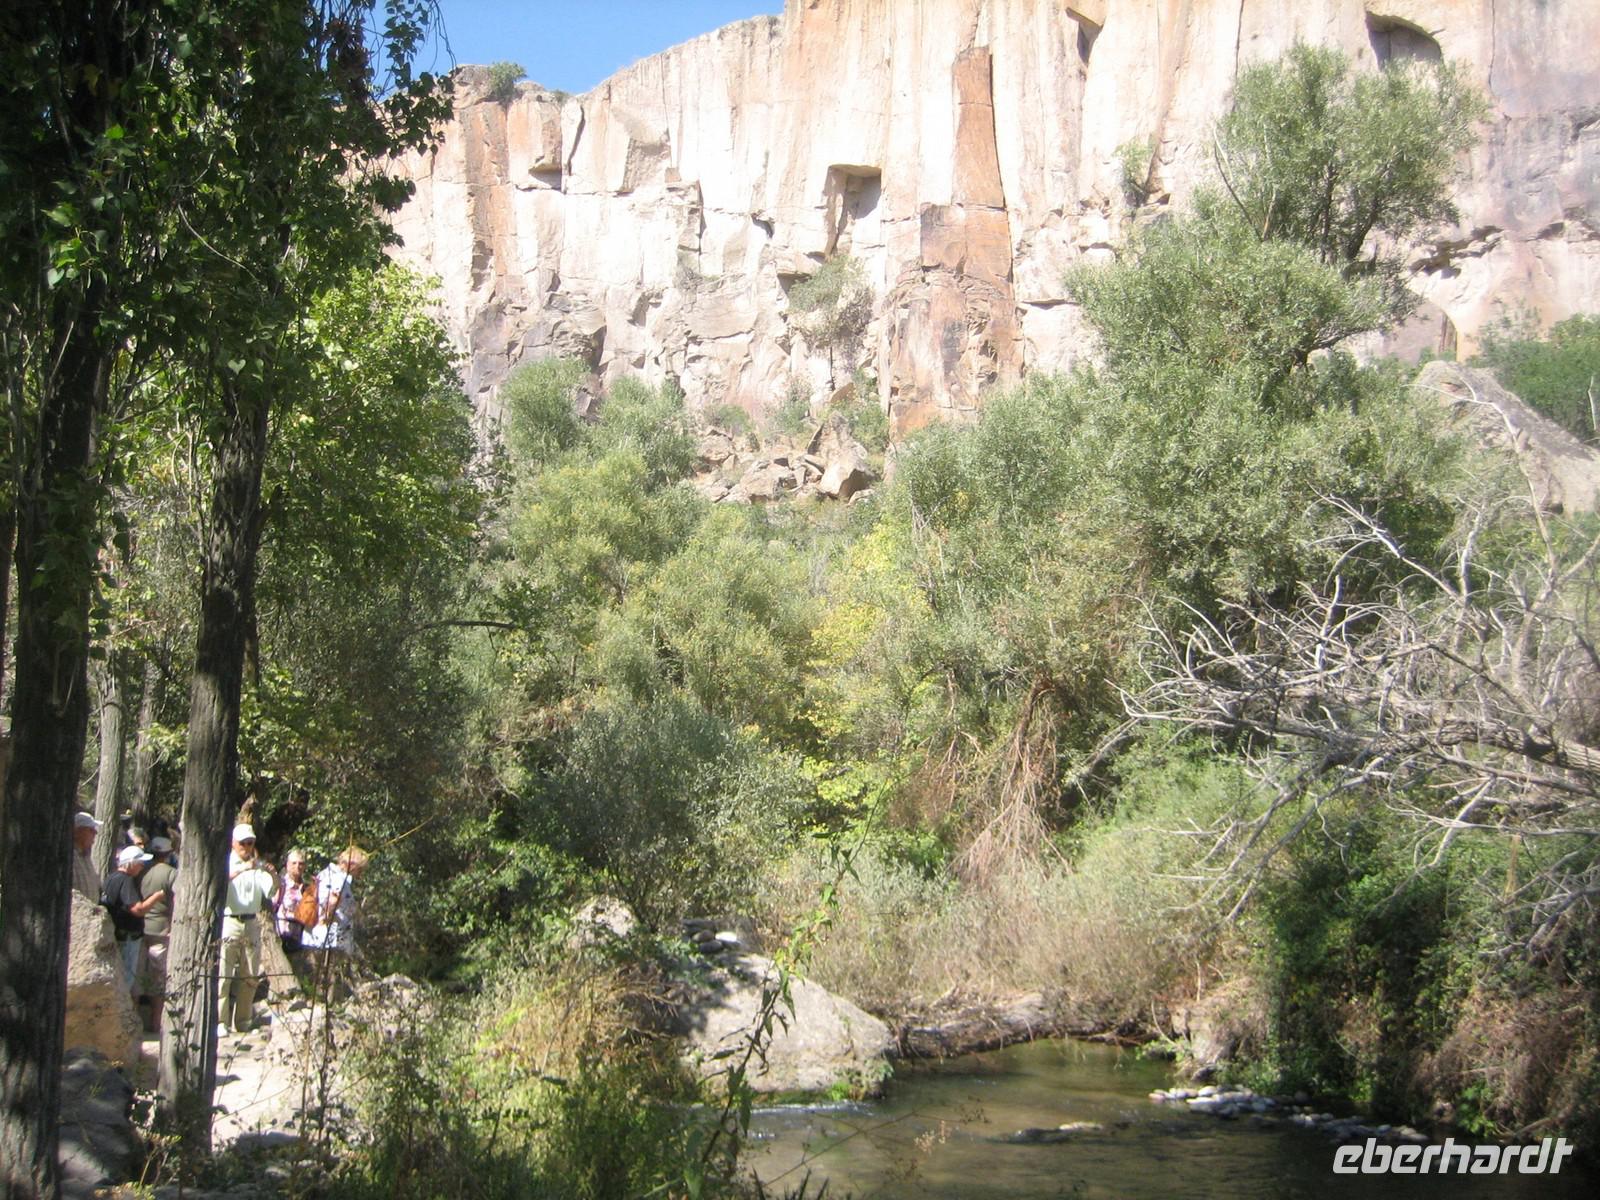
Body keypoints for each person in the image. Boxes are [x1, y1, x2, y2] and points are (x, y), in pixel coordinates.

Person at [219, 823, 278, 1034]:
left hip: (252, 921)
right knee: (224, 974)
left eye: (250, 843)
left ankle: (243, 1020)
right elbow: (221, 881)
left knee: (250, 974)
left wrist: (273, 875)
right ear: (234, 844)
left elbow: (270, 891)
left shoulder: (257, 865)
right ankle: (220, 1021)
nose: (246, 847)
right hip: (230, 920)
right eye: (243, 843)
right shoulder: (226, 862)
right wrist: (243, 868)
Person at [302, 846, 368, 996]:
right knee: (328, 971)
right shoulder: (338, 879)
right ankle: (325, 1000)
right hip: (329, 933)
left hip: (323, 932)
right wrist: (326, 917)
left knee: (324, 971)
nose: (360, 873)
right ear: (351, 865)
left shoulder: (326, 873)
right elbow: (331, 902)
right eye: (360, 869)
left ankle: (323, 998)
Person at [102, 845, 164, 996]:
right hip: (127, 937)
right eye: (140, 863)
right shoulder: (126, 880)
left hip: (116, 934)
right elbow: (138, 910)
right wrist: (157, 897)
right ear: (131, 863)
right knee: (125, 980)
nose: (142, 866)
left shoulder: (111, 878)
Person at [140, 835, 177, 1031]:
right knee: (158, 977)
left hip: (140, 927)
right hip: (161, 930)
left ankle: (135, 1020)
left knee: (137, 975)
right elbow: (176, 900)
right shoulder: (171, 873)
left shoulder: (140, 870)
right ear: (168, 853)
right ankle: (156, 1022)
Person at [273, 849, 311, 965]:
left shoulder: (306, 888)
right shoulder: (280, 884)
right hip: (280, 935)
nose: (297, 866)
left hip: (298, 938)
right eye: (294, 863)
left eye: (301, 863)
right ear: (287, 865)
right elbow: (272, 906)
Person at [71, 811, 102, 901]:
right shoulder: (70, 857)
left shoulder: (86, 856)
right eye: (90, 830)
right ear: (77, 832)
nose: (95, 833)